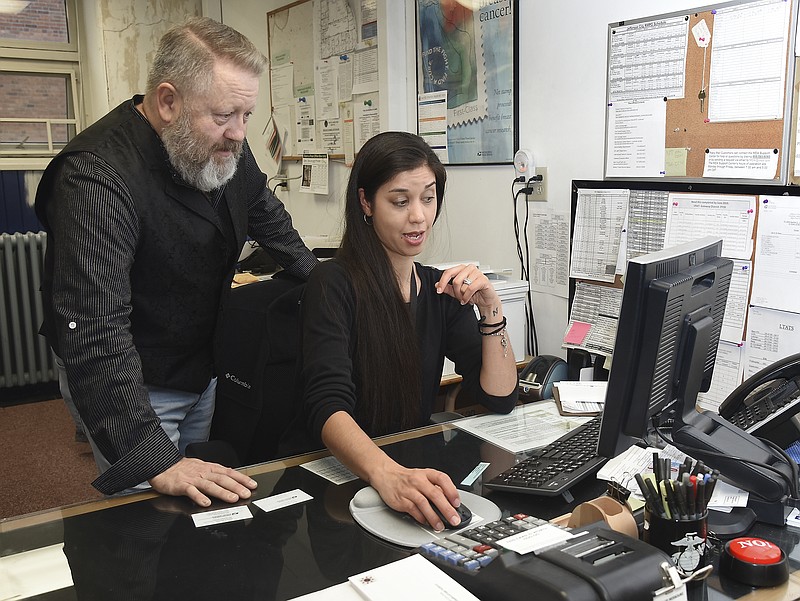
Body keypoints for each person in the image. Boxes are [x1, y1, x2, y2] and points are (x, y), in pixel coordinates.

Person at [35, 17, 318, 506]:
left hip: (196, 359)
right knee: (152, 515)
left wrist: (327, 285)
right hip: (129, 374)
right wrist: (154, 458)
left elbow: (264, 212)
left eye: (247, 115)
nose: (238, 133)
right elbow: (96, 329)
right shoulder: (96, 177)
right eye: (226, 114)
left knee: (200, 502)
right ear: (168, 102)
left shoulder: (223, 141)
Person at [297, 131, 518, 531]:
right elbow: (328, 408)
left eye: (428, 198)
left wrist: (491, 308)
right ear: (366, 202)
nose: (418, 216)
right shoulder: (333, 283)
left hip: (410, 475)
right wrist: (387, 474)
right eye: (400, 202)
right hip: (345, 486)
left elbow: (500, 396)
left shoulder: (439, 290)